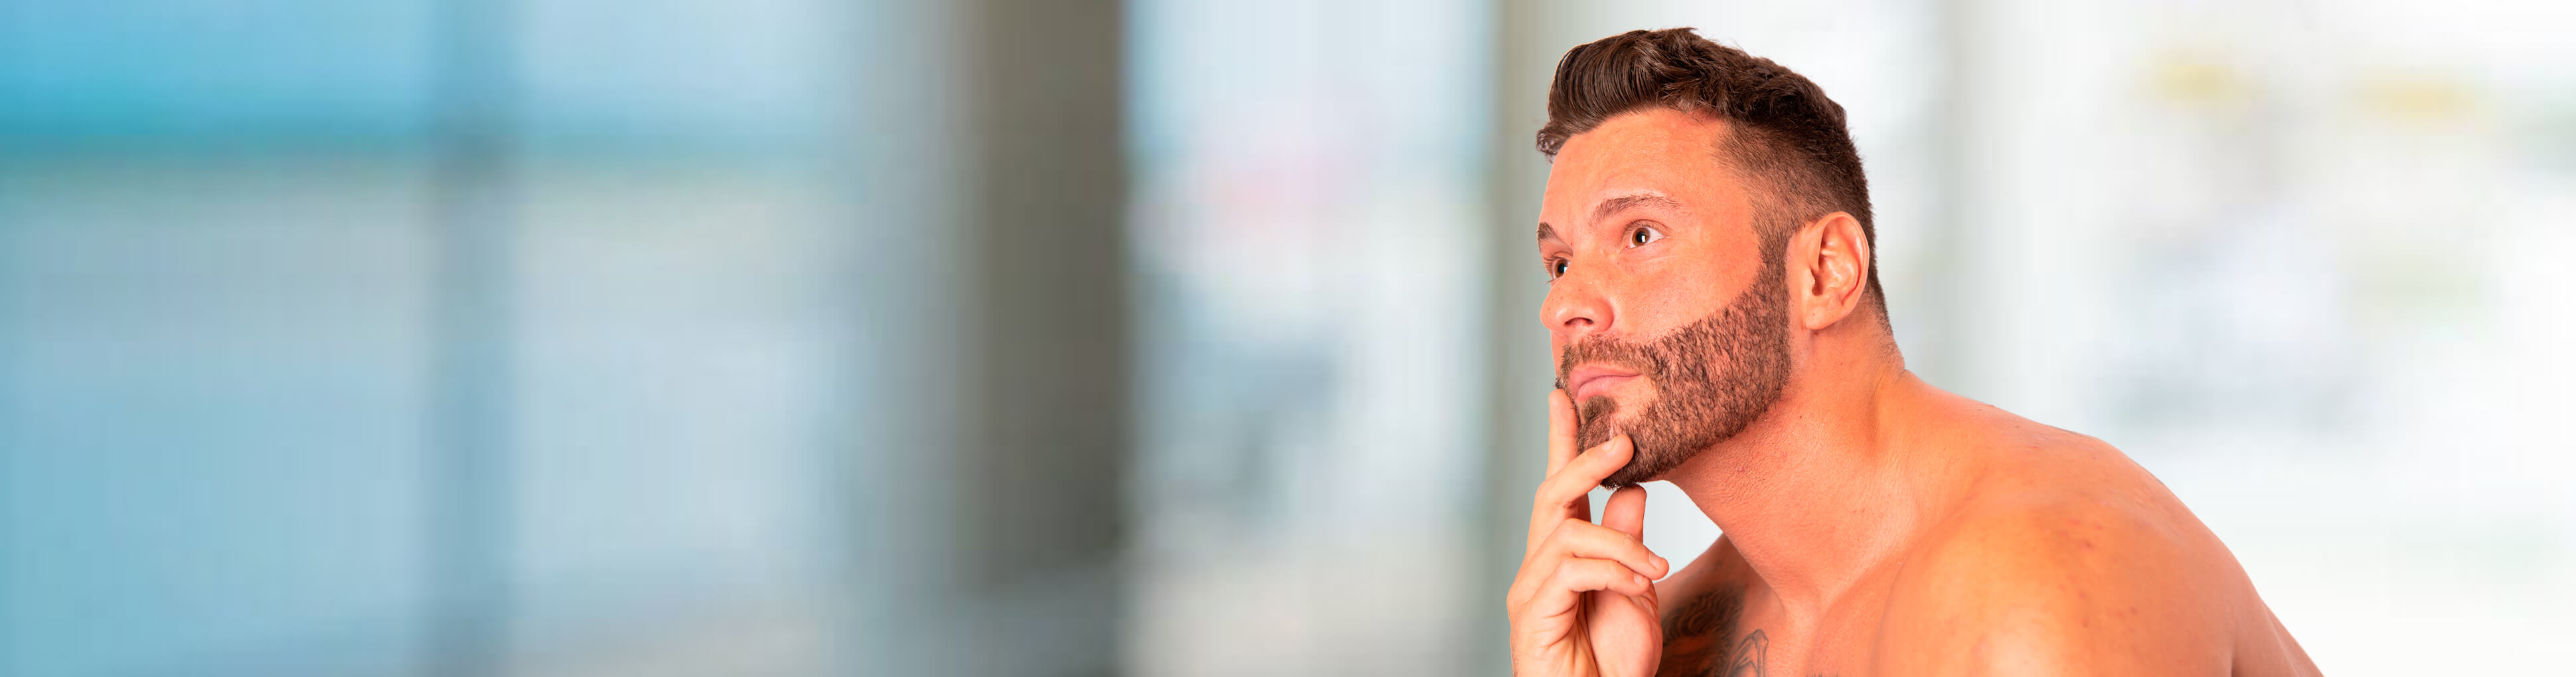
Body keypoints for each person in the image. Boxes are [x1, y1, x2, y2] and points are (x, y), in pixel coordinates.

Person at [1504, 28, 2320, 677]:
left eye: (1640, 235)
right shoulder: (1664, 636)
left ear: (1825, 273)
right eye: (1561, 261)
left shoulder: (2036, 582)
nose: (1565, 303)